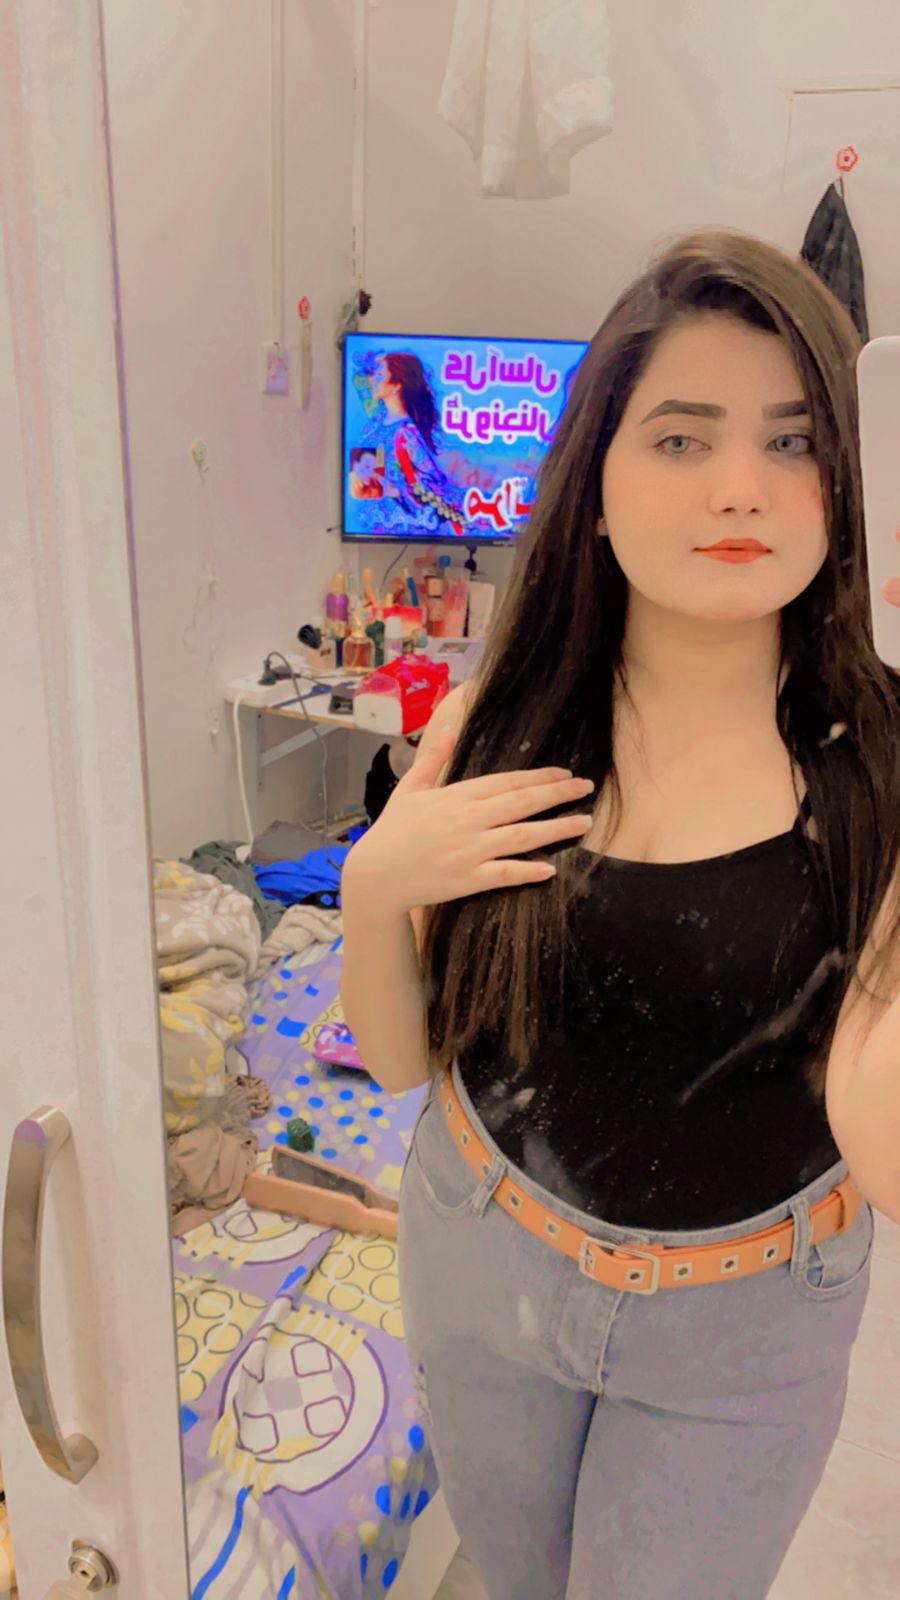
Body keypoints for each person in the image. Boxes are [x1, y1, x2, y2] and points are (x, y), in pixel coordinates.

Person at [340, 228, 900, 1599]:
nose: (740, 487)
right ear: (592, 484)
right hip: (481, 1258)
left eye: (792, 441)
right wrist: (372, 886)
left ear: (850, 483)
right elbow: (406, 1059)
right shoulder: (507, 719)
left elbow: (887, 1156)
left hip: (742, 1332)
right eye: (682, 438)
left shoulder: (879, 763)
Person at [354, 351, 468, 537]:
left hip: (400, 526)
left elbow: (433, 485)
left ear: (396, 385)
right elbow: (359, 378)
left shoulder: (407, 433)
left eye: (380, 374)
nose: (373, 379)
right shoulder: (377, 419)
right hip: (371, 522)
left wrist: (394, 489)